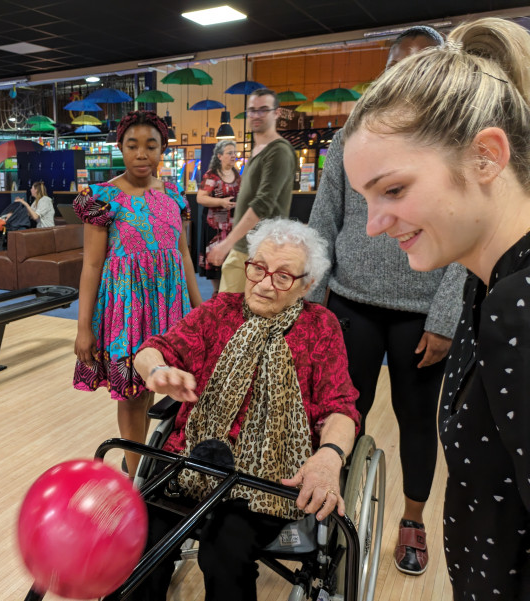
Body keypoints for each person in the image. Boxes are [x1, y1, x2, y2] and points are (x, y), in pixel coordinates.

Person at [343, 17, 530, 599]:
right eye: (367, 199)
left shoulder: (516, 309)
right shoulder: (487, 285)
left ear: (485, 157)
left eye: (393, 190)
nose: (373, 226)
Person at [307, 25, 467, 576]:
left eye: (423, 66)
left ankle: (414, 520)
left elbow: (467, 233)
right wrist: (307, 299)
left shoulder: (454, 140)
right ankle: (328, 514)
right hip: (352, 300)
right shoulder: (352, 133)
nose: (409, 76)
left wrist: (447, 316)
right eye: (399, 66)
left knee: (417, 418)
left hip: (423, 311)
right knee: (336, 411)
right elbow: (325, 219)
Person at [130, 218, 359, 601]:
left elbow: (340, 408)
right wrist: (157, 370)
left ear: (307, 285)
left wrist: (329, 457)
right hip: (192, 463)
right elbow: (154, 348)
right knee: (141, 541)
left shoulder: (320, 326)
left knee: (224, 552)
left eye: (283, 276)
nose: (265, 283)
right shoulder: (219, 310)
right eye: (258, 268)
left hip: (268, 482)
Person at [73, 110, 202, 479]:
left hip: (167, 305)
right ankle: (135, 477)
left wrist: (198, 308)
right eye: (133, 145)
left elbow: (183, 255)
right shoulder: (101, 198)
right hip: (126, 307)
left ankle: (156, 467)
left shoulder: (174, 194)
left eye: (151, 145)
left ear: (163, 150)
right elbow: (92, 266)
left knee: (159, 386)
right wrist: (84, 328)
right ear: (120, 148)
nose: (142, 154)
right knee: (131, 392)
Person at [206, 88, 297, 293]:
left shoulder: (279, 151)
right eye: (252, 110)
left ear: (276, 113)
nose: (256, 115)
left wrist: (226, 243)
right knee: (232, 313)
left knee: (234, 313)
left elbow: (262, 204)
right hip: (246, 248)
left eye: (263, 109)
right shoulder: (257, 151)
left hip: (260, 253)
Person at [196, 139, 240, 297]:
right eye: (230, 153)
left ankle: (226, 292)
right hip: (214, 226)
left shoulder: (236, 174)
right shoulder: (211, 176)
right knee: (215, 264)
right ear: (220, 156)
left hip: (232, 226)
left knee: (231, 261)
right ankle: (216, 293)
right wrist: (221, 202)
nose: (233, 155)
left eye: (235, 153)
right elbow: (201, 198)